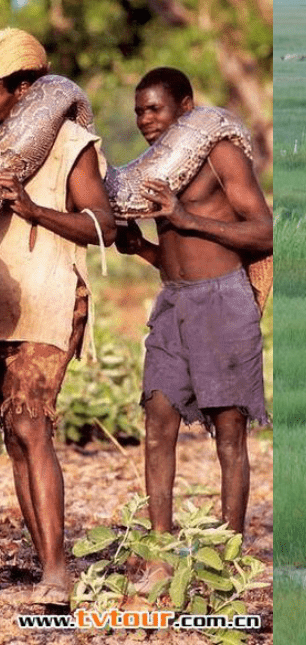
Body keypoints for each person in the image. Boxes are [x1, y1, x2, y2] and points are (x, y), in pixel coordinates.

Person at [0, 28, 116, 605]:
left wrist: (33, 208)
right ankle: (43, 556)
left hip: (49, 298)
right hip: (0, 307)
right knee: (15, 439)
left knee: (31, 428)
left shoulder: (71, 141)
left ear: (24, 89)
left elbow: (103, 225)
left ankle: (56, 572)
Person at [114, 67, 272, 590]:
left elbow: (265, 232)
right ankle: (160, 552)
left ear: (186, 106)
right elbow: (176, 258)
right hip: (173, 304)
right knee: (158, 421)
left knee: (229, 435)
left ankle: (226, 558)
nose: (145, 120)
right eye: (139, 111)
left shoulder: (219, 152)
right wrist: (142, 249)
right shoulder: (160, 168)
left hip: (224, 301)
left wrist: (188, 218)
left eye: (155, 108)